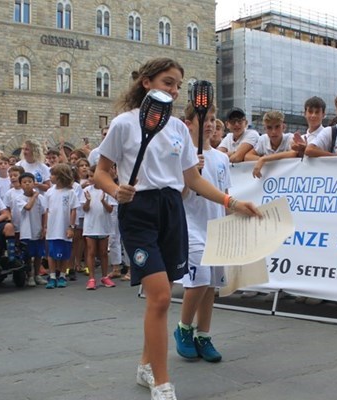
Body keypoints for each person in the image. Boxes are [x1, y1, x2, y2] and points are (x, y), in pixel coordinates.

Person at [93, 58, 260, 400]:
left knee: (159, 300)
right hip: (138, 211)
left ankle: (145, 364)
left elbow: (193, 179)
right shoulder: (123, 124)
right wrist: (115, 189)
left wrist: (232, 202)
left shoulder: (179, 129)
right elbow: (101, 172)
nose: (174, 89)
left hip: (171, 211)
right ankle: (162, 383)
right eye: (168, 82)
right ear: (146, 83)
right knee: (162, 297)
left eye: (178, 85)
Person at [173, 101, 230, 363]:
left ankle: (203, 335)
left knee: (210, 287)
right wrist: (192, 172)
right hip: (191, 226)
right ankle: (184, 328)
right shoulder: (183, 159)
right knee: (200, 279)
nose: (209, 124)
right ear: (189, 124)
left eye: (212, 119)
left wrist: (232, 219)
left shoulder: (222, 158)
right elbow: (181, 195)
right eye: (203, 119)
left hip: (215, 227)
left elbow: (224, 194)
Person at [82, 165, 118, 290]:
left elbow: (110, 209)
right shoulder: (86, 190)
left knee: (103, 252)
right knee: (91, 251)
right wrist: (87, 201)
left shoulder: (107, 190)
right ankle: (91, 278)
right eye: (89, 176)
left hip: (104, 225)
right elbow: (85, 209)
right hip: (91, 226)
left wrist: (103, 201)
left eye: (92, 176)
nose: (90, 178)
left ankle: (104, 276)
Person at [43, 164, 78, 289]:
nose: (50, 177)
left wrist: (71, 227)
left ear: (60, 177)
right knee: (51, 252)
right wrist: (45, 226)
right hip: (52, 228)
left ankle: (62, 275)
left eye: (52, 174)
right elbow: (47, 210)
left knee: (65, 252)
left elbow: (73, 210)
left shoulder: (70, 192)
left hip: (64, 227)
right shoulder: (49, 192)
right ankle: (52, 276)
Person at [13, 172, 47, 287]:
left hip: (38, 229)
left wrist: (44, 227)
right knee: (28, 254)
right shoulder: (19, 198)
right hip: (27, 231)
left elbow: (44, 213)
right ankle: (30, 275)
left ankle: (37, 274)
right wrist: (33, 197)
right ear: (21, 184)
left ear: (34, 183)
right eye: (24, 182)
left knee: (38, 254)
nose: (27, 184)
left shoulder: (41, 198)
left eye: (30, 182)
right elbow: (27, 207)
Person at [248, 111, 297, 178]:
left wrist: (264, 159)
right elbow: (248, 156)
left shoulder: (290, 138)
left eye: (277, 127)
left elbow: (293, 153)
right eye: (269, 128)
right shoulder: (263, 139)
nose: (273, 132)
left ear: (283, 127)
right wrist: (261, 159)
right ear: (265, 129)